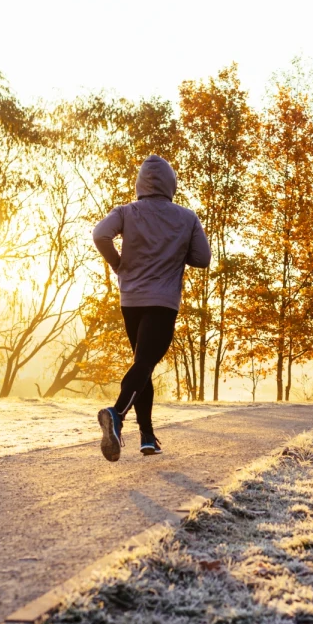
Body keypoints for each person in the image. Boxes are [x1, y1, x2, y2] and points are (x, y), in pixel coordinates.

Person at [92, 154, 211, 461]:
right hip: (162, 302)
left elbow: (100, 234)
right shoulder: (186, 217)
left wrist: (119, 264)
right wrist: (174, 249)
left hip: (131, 300)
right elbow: (203, 258)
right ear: (171, 183)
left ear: (140, 183)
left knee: (142, 366)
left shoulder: (126, 212)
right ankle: (116, 414)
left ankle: (147, 436)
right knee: (144, 364)